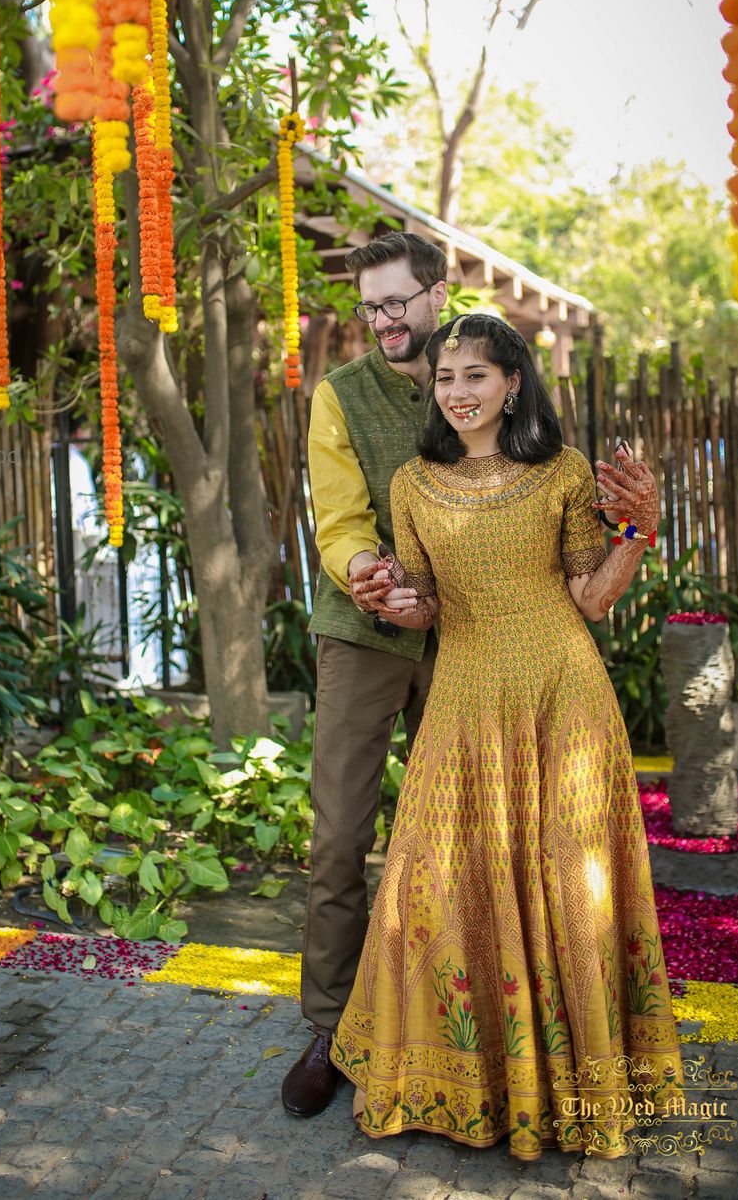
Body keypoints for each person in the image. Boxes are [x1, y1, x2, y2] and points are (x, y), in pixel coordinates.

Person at [330, 312, 683, 1161]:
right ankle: (469, 1081)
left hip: (563, 697)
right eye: (447, 379)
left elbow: (592, 598)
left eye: (475, 377)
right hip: (464, 698)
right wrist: (396, 600)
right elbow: (424, 601)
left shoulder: (560, 472)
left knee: (572, 883)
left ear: (513, 383)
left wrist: (639, 528)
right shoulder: (413, 483)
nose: (458, 394)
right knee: (446, 884)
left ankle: (581, 1086)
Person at [280, 232, 449, 1119]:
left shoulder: (484, 367)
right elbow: (339, 521)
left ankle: (442, 1021)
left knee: (458, 841)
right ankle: (330, 1029)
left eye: (397, 302)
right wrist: (369, 576)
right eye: (370, 306)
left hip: (468, 638)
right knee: (340, 836)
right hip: (363, 633)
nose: (384, 320)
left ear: (436, 293)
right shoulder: (340, 396)